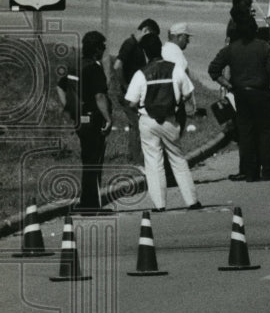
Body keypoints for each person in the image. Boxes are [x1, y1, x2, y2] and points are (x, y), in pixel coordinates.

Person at [125, 34, 202, 211]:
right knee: (178, 159)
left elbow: (131, 102)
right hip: (170, 120)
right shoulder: (175, 69)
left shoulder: (141, 73)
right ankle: (192, 201)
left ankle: (159, 204)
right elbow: (188, 92)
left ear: (145, 53)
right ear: (160, 49)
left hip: (148, 120)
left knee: (153, 162)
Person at [208, 10, 270, 181]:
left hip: (241, 95)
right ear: (255, 29)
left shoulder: (231, 50)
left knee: (246, 134)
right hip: (261, 94)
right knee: (265, 133)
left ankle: (251, 172)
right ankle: (269, 169)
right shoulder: (263, 47)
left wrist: (228, 85)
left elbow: (213, 69)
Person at [60, 31, 114, 214]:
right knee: (95, 162)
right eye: (103, 46)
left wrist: (69, 109)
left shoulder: (74, 65)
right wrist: (108, 118)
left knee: (87, 160)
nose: (105, 49)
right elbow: (99, 96)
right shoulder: (93, 67)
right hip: (93, 119)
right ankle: (92, 205)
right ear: (97, 48)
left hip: (80, 120)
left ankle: (86, 202)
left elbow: (60, 86)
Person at [113, 18, 160, 163]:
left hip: (134, 93)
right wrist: (126, 86)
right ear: (145, 30)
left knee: (136, 125)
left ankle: (135, 156)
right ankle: (136, 159)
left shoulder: (138, 46)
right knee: (137, 126)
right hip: (128, 93)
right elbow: (117, 66)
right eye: (150, 35)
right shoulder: (130, 43)